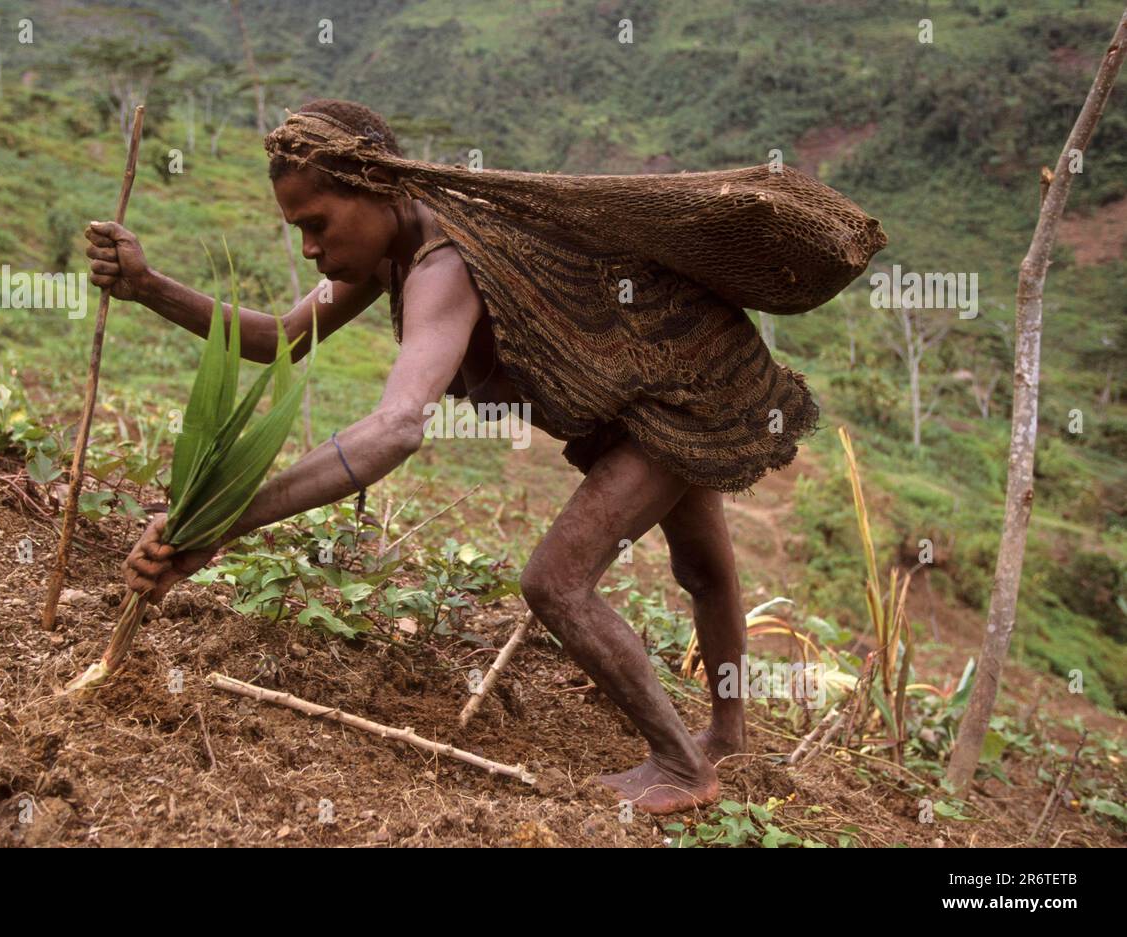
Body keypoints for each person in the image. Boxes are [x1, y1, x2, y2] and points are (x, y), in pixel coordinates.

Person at [85, 98, 807, 815]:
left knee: (557, 582)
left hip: (682, 389)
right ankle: (727, 734)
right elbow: (281, 336)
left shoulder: (443, 261)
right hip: (657, 383)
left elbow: (396, 427)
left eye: (315, 224)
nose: (310, 248)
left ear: (373, 186)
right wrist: (149, 287)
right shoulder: (393, 247)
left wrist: (224, 520)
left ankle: (684, 764)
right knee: (702, 568)